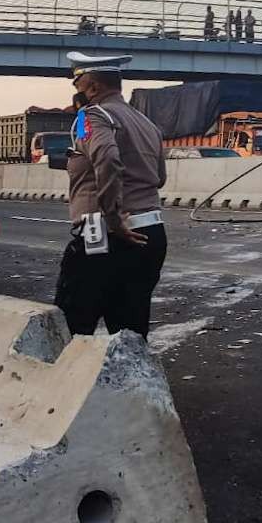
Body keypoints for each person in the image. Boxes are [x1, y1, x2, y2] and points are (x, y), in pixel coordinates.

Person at [54, 52, 168, 339]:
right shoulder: (147, 124)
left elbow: (106, 158)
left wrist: (114, 217)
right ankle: (133, 382)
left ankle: (69, 383)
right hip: (152, 231)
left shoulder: (89, 116)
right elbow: (160, 177)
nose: (77, 92)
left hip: (103, 232)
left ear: (93, 87)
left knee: (73, 324)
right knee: (130, 326)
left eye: (78, 85)